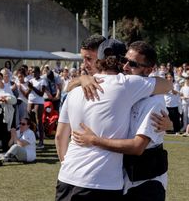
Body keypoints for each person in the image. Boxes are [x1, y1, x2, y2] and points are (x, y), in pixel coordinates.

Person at [55, 39, 172, 201]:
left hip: (143, 182)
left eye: (132, 64)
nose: (125, 67)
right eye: (124, 61)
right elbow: (167, 85)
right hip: (105, 182)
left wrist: (89, 144)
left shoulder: (75, 92)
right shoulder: (125, 85)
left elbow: (60, 136)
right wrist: (82, 78)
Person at [27, 66, 47, 149]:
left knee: (39, 122)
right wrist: (27, 88)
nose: (33, 73)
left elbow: (41, 94)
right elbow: (27, 93)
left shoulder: (43, 81)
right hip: (30, 102)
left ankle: (41, 141)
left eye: (35, 72)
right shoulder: (31, 80)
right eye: (32, 72)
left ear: (39, 72)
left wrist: (32, 88)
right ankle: (32, 140)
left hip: (38, 103)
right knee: (31, 122)